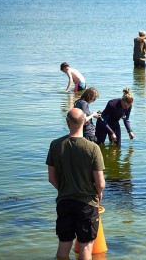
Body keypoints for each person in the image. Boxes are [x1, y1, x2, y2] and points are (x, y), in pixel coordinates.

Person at [46, 108, 105, 260]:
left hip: (64, 202)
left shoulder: (55, 145)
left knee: (64, 243)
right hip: (86, 204)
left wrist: (66, 189)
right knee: (86, 245)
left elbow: (51, 178)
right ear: (85, 122)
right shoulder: (93, 148)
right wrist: (98, 193)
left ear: (67, 123)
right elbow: (100, 183)